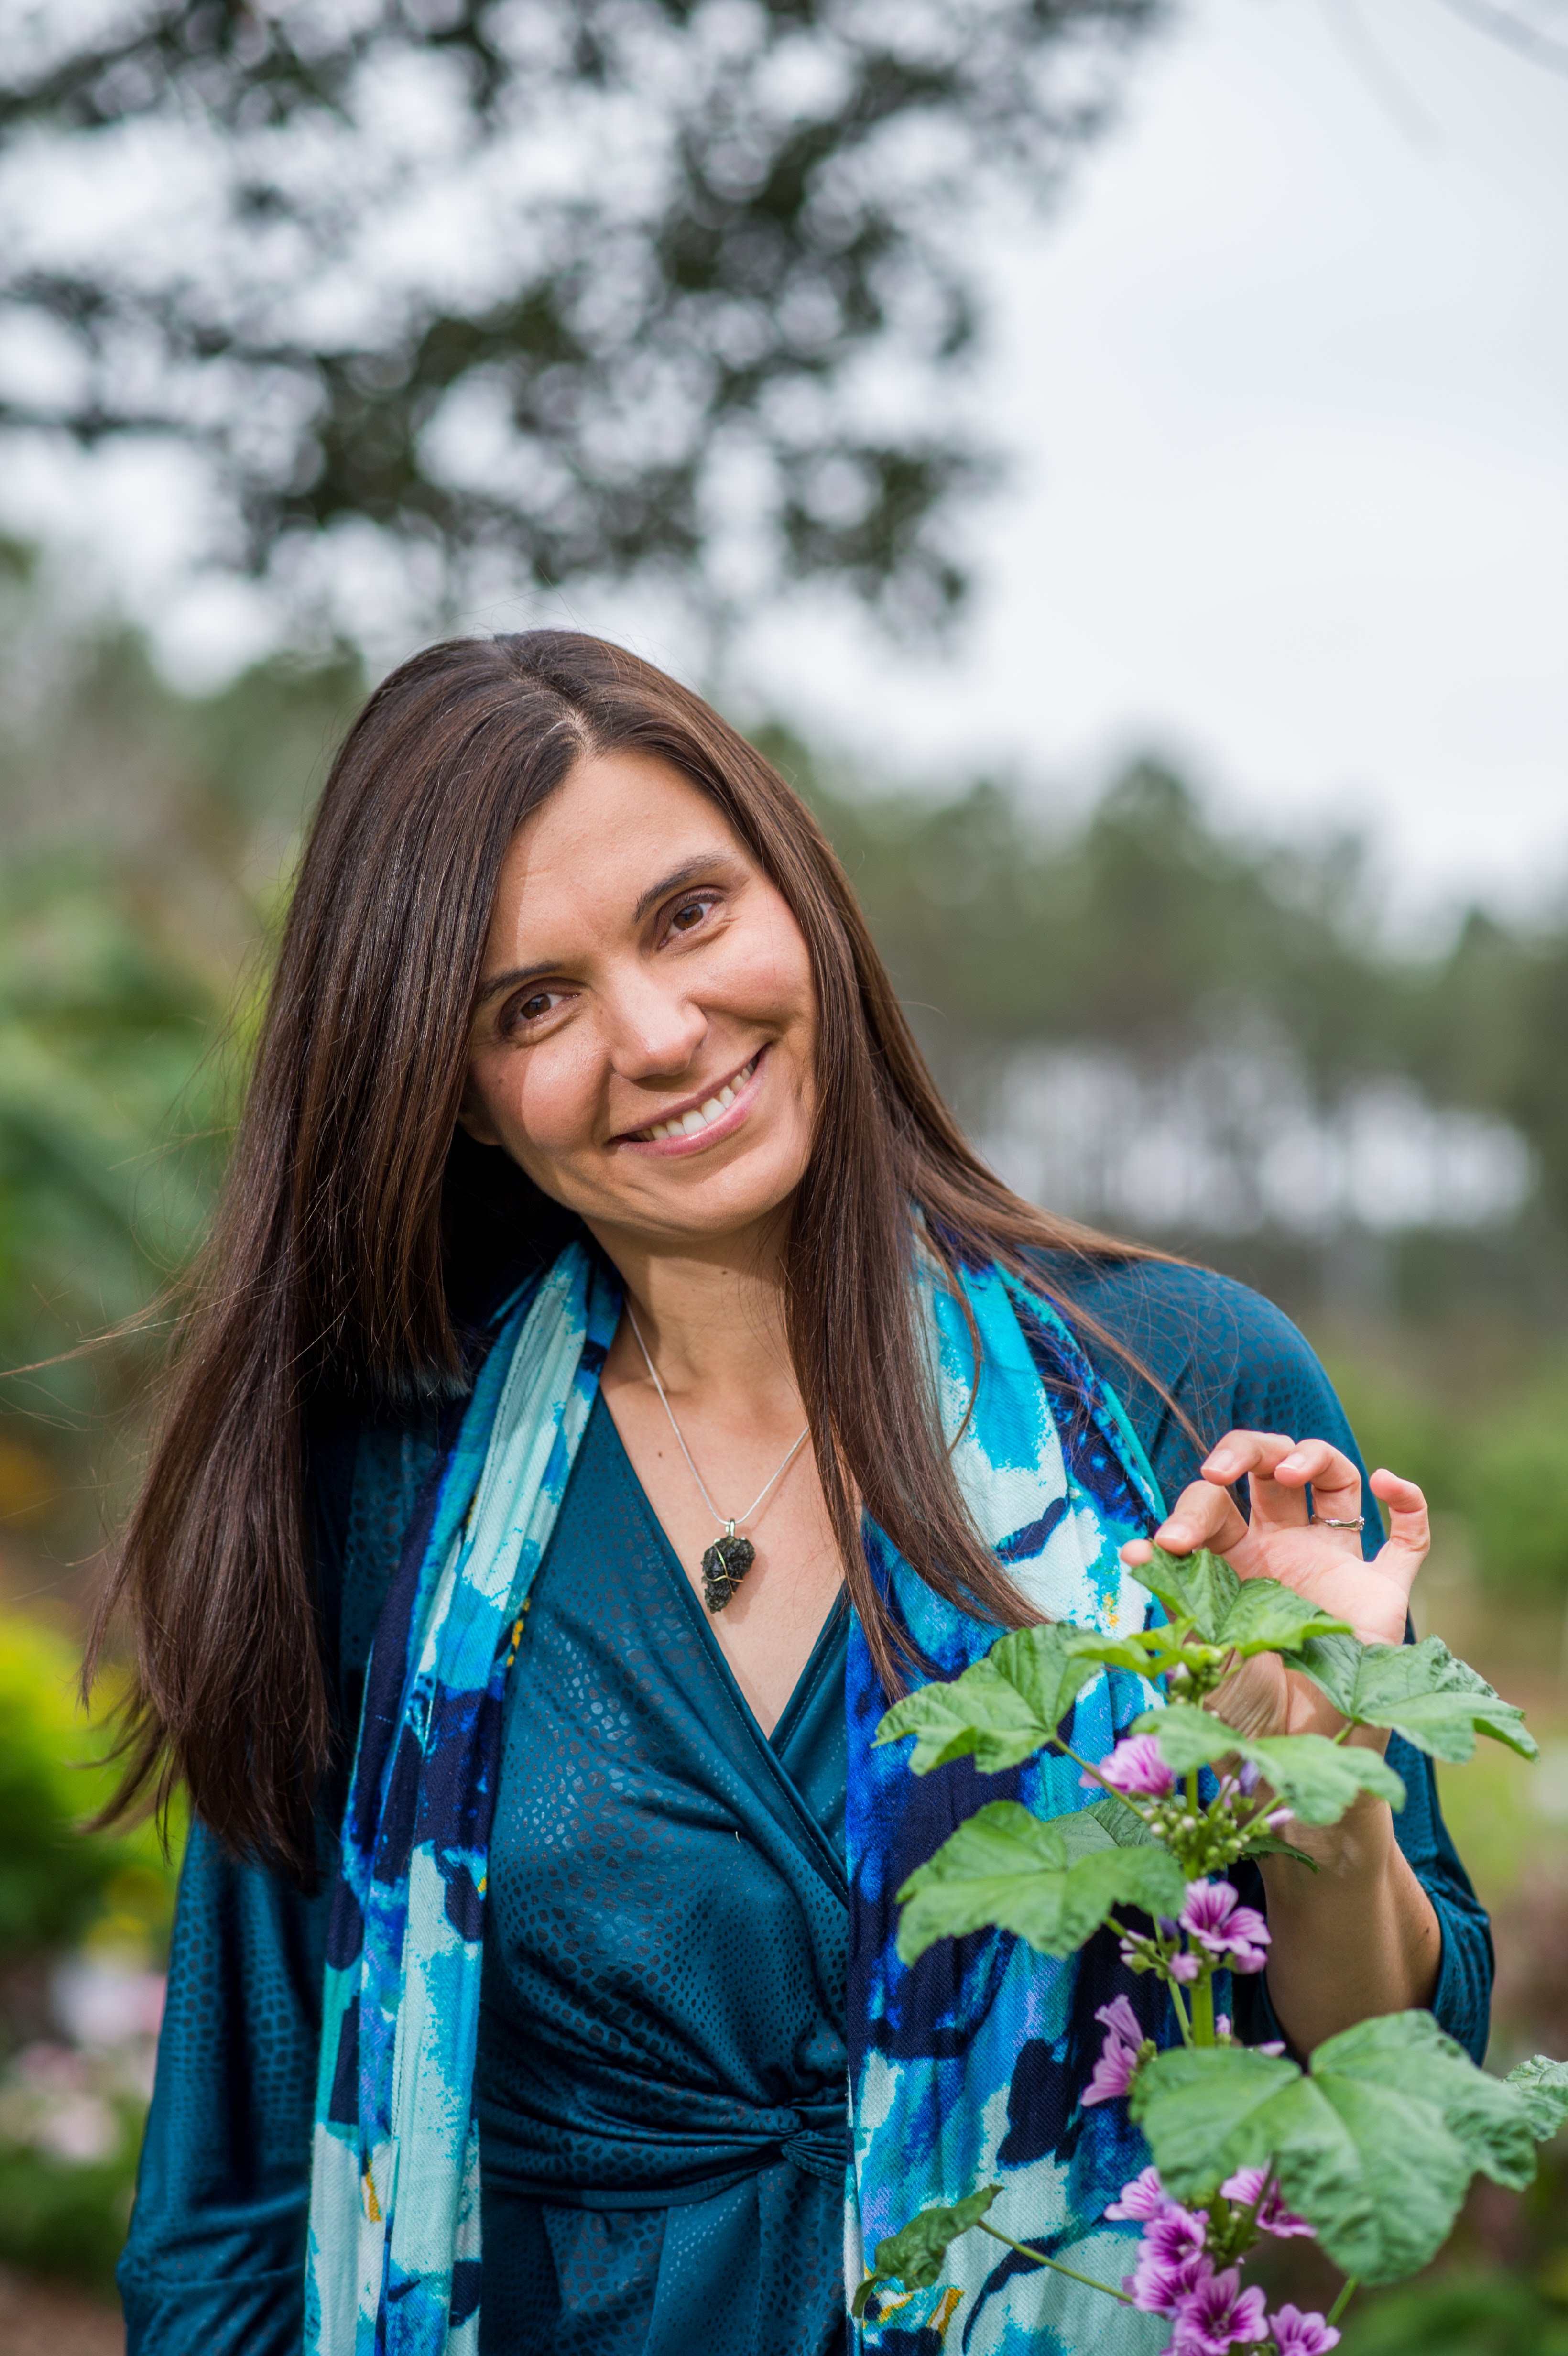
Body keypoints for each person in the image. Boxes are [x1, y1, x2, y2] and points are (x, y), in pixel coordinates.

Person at [104, 633, 1490, 2356]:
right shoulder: (383, 1485)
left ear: (801, 899)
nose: (663, 1032)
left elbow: (1394, 2107)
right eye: (530, 1004)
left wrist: (1325, 1795)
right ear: (453, 1094)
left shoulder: (1184, 1400)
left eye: (689, 914)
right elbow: (223, 2213)